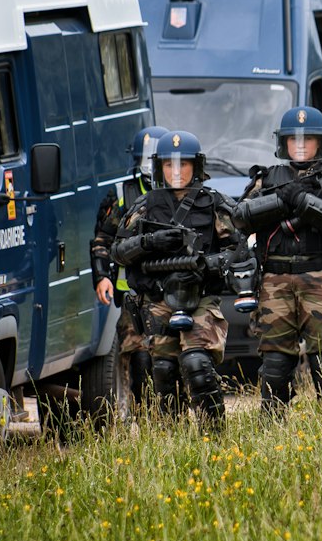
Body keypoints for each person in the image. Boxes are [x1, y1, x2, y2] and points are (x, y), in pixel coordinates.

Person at [232, 106, 322, 418]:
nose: (300, 146)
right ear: (284, 144)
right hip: (275, 281)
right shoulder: (268, 179)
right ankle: (272, 436)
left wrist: (304, 201)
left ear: (321, 143)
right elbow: (240, 216)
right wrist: (282, 199)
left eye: (308, 140)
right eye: (294, 140)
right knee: (275, 366)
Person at [111, 129, 246, 426]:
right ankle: (174, 440)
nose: (176, 171)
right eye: (169, 165)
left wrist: (211, 263)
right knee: (162, 370)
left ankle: (214, 432)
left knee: (196, 364)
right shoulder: (146, 205)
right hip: (158, 298)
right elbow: (118, 251)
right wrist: (148, 243)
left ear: (195, 167)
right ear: (160, 168)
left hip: (199, 297)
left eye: (182, 164)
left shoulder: (213, 203)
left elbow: (239, 247)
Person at [90, 124, 168, 408]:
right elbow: (102, 240)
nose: (149, 166)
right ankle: (145, 420)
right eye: (144, 159)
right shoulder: (123, 193)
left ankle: (176, 422)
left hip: (173, 291)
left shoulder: (182, 194)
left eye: (154, 159)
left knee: (173, 361)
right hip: (134, 294)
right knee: (141, 361)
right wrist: (102, 276)